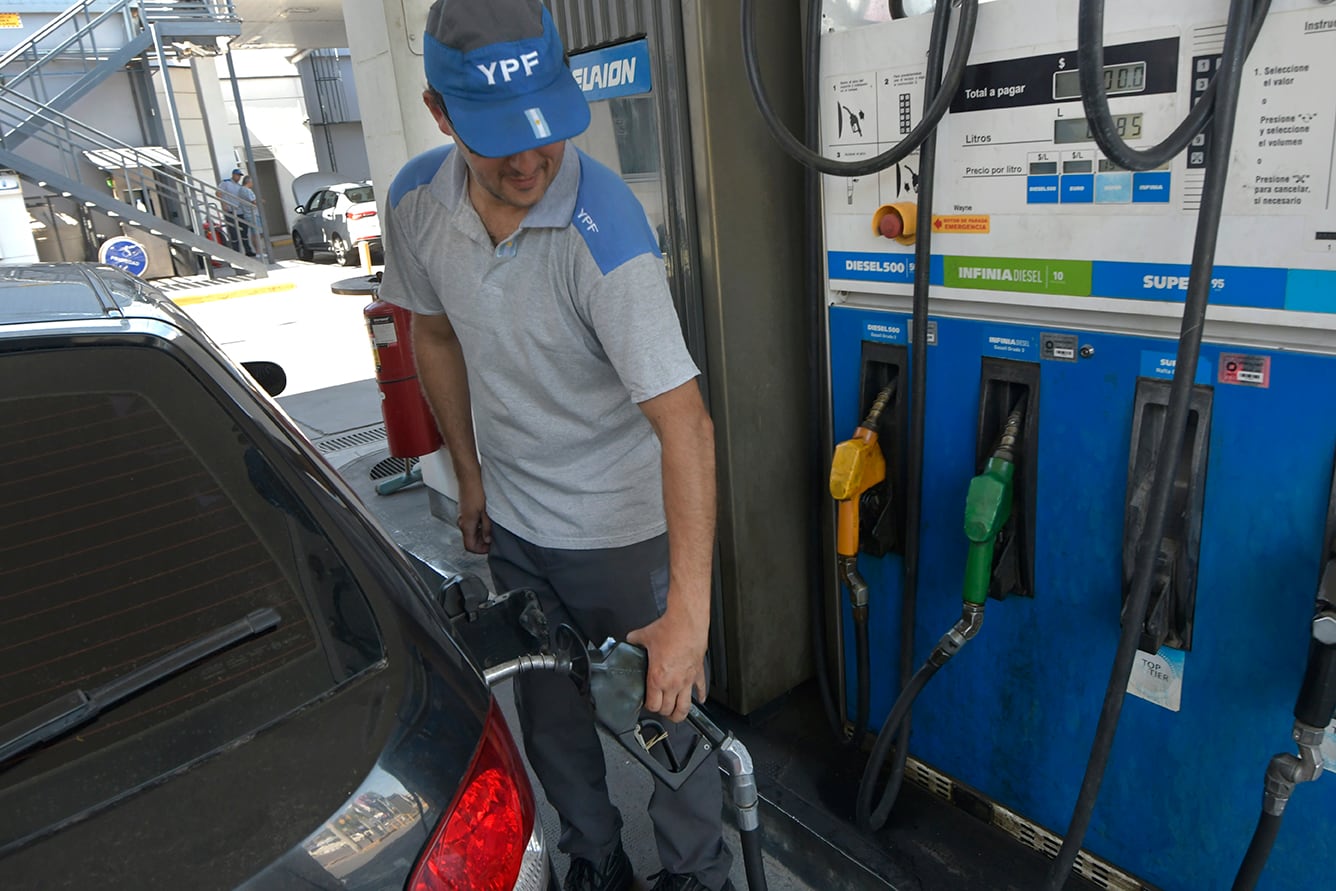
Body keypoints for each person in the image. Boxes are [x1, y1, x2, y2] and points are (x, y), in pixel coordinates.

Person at [379, 2, 732, 890]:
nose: (534, 158)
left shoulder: (606, 239)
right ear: (440, 113)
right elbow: (435, 334)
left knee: (666, 715)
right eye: (502, 137)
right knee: (553, 715)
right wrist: (470, 474)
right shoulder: (418, 205)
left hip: (623, 531)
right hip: (522, 526)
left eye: (545, 125)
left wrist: (687, 616)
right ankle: (595, 858)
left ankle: (696, 872)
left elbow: (685, 423)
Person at [215, 167, 246, 253]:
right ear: (233, 175)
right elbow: (218, 193)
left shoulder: (239, 186)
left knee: (243, 230)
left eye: (240, 176)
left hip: (240, 211)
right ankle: (236, 251)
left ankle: (247, 250)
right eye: (237, 175)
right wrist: (224, 204)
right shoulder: (226, 183)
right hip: (230, 211)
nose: (239, 177)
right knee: (233, 232)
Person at [239, 175, 260, 258]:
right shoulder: (247, 190)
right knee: (255, 234)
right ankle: (258, 252)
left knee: (253, 233)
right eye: (252, 182)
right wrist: (259, 201)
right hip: (251, 214)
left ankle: (257, 251)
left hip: (246, 213)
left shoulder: (241, 190)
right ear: (249, 182)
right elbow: (253, 201)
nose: (252, 184)